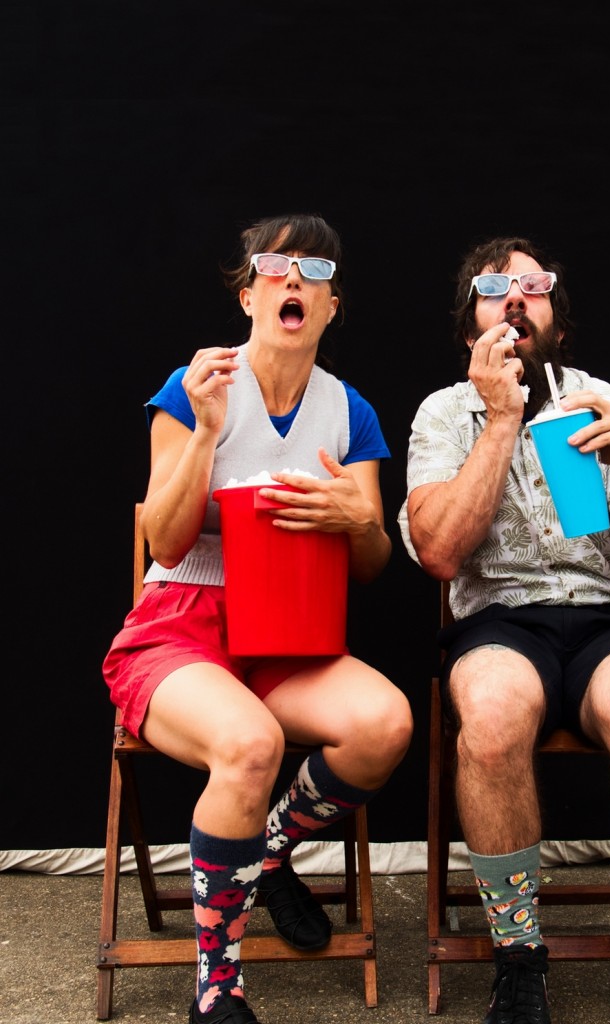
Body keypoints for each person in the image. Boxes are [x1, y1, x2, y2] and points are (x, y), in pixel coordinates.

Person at [103, 213, 414, 1024]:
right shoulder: (195, 387)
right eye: (275, 267)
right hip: (180, 624)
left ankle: (268, 854)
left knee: (385, 724)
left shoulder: (349, 412)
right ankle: (217, 985)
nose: (294, 278)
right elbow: (165, 540)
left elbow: (371, 563)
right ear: (248, 296)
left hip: (287, 630)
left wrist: (359, 521)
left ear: (332, 306)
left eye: (315, 270)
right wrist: (206, 433)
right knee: (249, 746)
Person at [398, 236, 610, 1024]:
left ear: (559, 326)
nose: (514, 296)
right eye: (492, 287)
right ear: (468, 327)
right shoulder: (444, 414)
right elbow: (439, 554)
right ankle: (518, 959)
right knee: (490, 724)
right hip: (500, 623)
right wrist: (501, 420)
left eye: (533, 286)